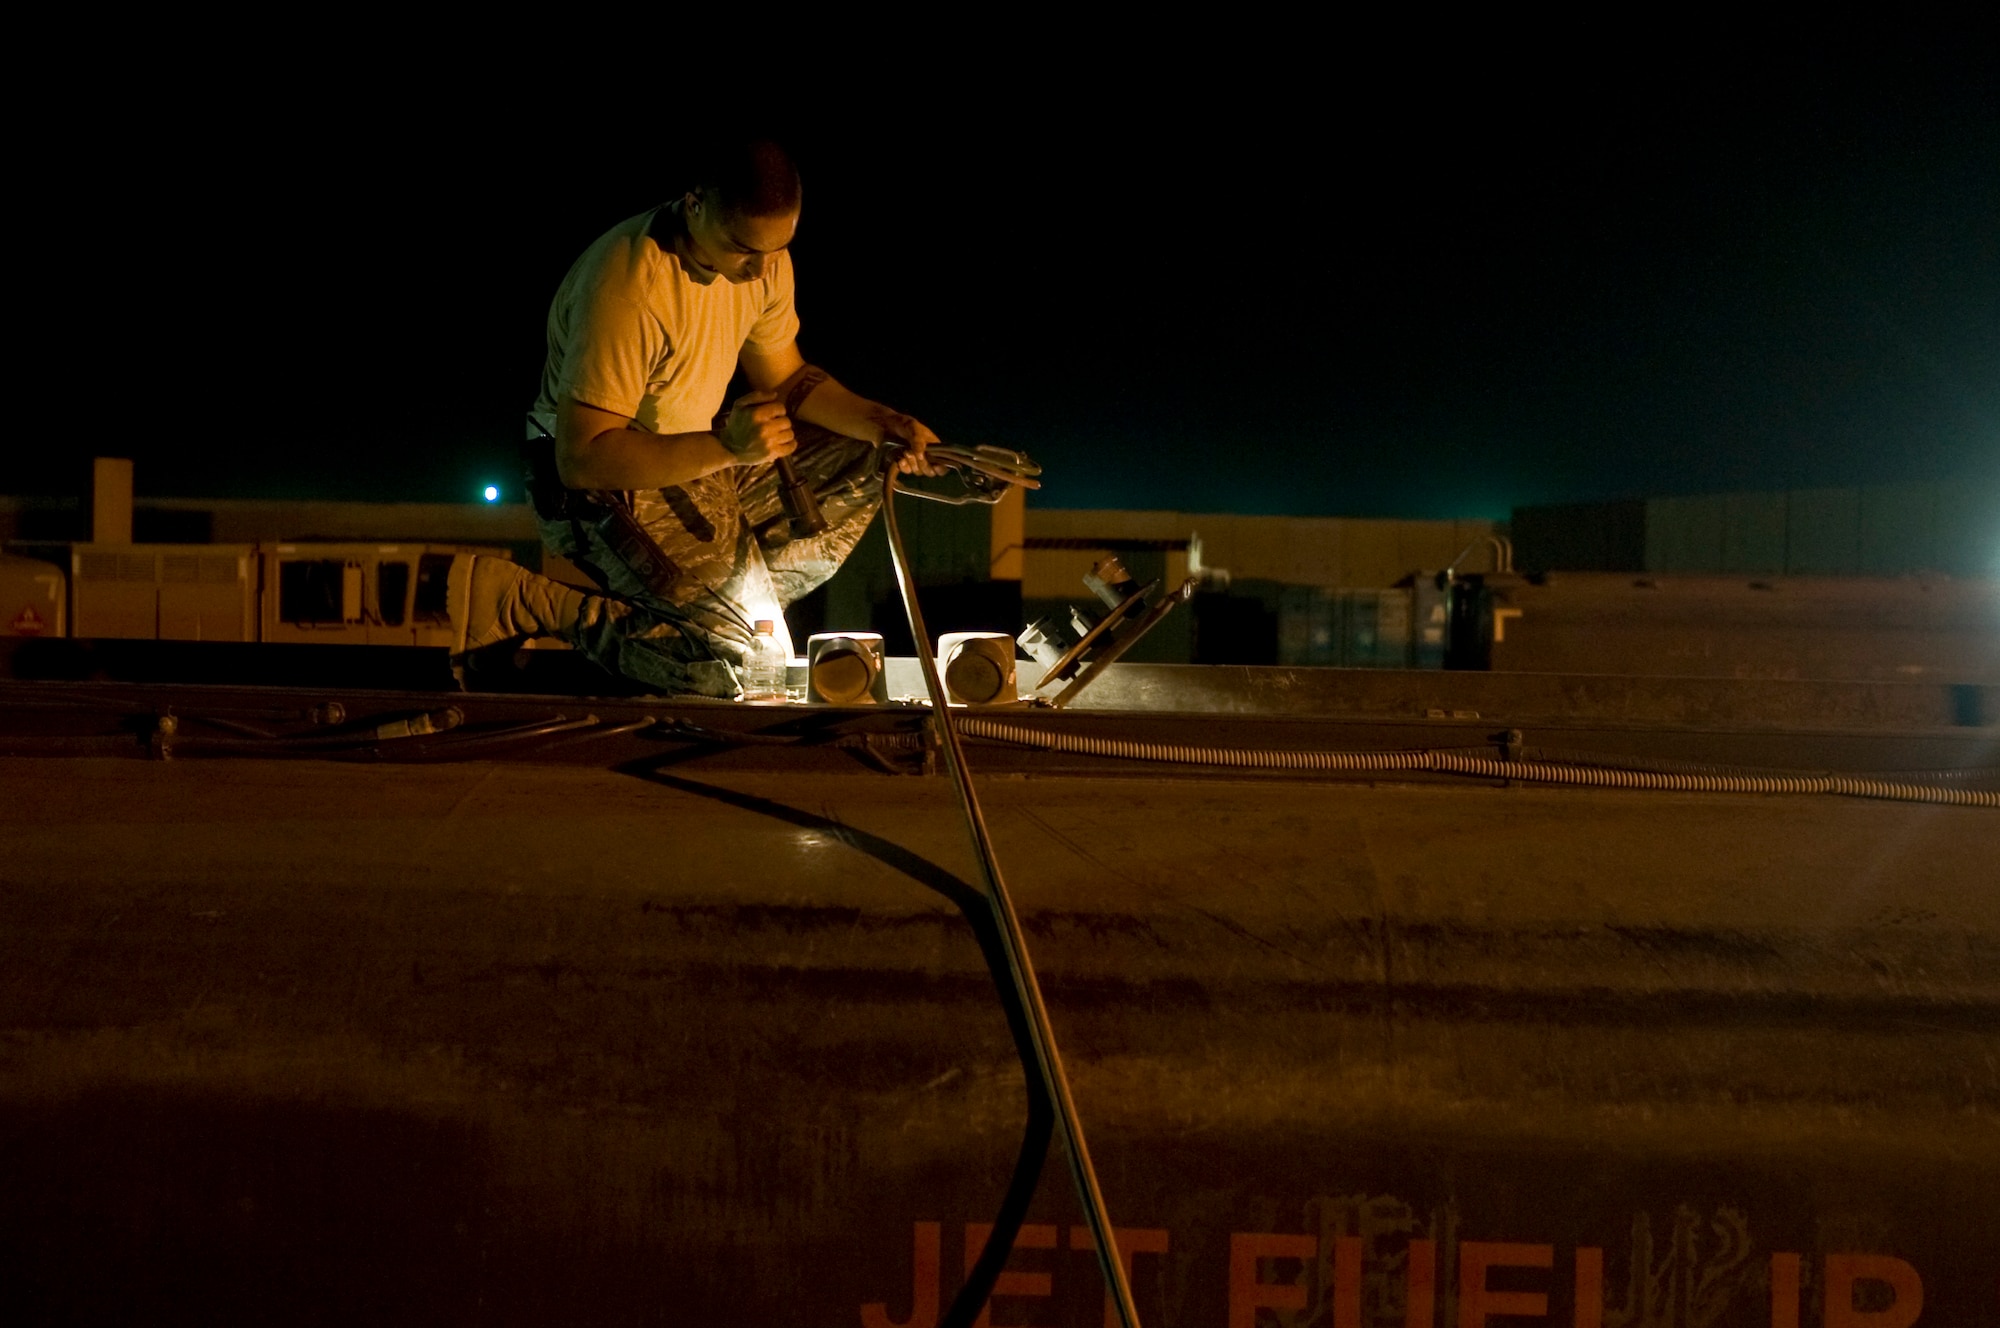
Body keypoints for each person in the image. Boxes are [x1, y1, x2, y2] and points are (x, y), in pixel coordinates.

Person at [449, 137, 940, 695]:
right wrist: (730, 448)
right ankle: (529, 603)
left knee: (866, 453)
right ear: (694, 204)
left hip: (701, 458)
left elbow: (785, 378)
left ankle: (700, 608)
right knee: (744, 669)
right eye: (743, 251)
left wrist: (885, 423)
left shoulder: (764, 260)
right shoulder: (629, 287)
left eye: (775, 251)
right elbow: (582, 458)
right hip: (601, 481)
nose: (760, 271)